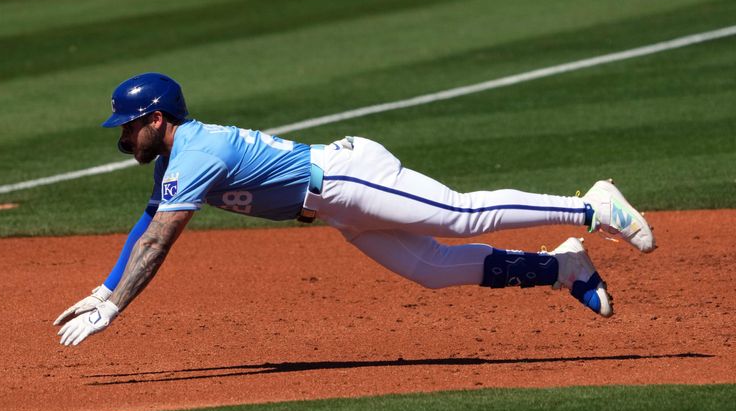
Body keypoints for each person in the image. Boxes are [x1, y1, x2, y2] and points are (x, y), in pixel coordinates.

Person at [55, 73, 656, 346]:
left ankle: (589, 207)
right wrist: (106, 290)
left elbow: (160, 240)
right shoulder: (174, 161)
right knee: (434, 270)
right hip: (335, 208)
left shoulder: (197, 151)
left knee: (459, 215)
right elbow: (146, 223)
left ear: (157, 119)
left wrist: (117, 311)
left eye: (128, 127)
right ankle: (565, 269)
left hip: (347, 178)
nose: (122, 139)